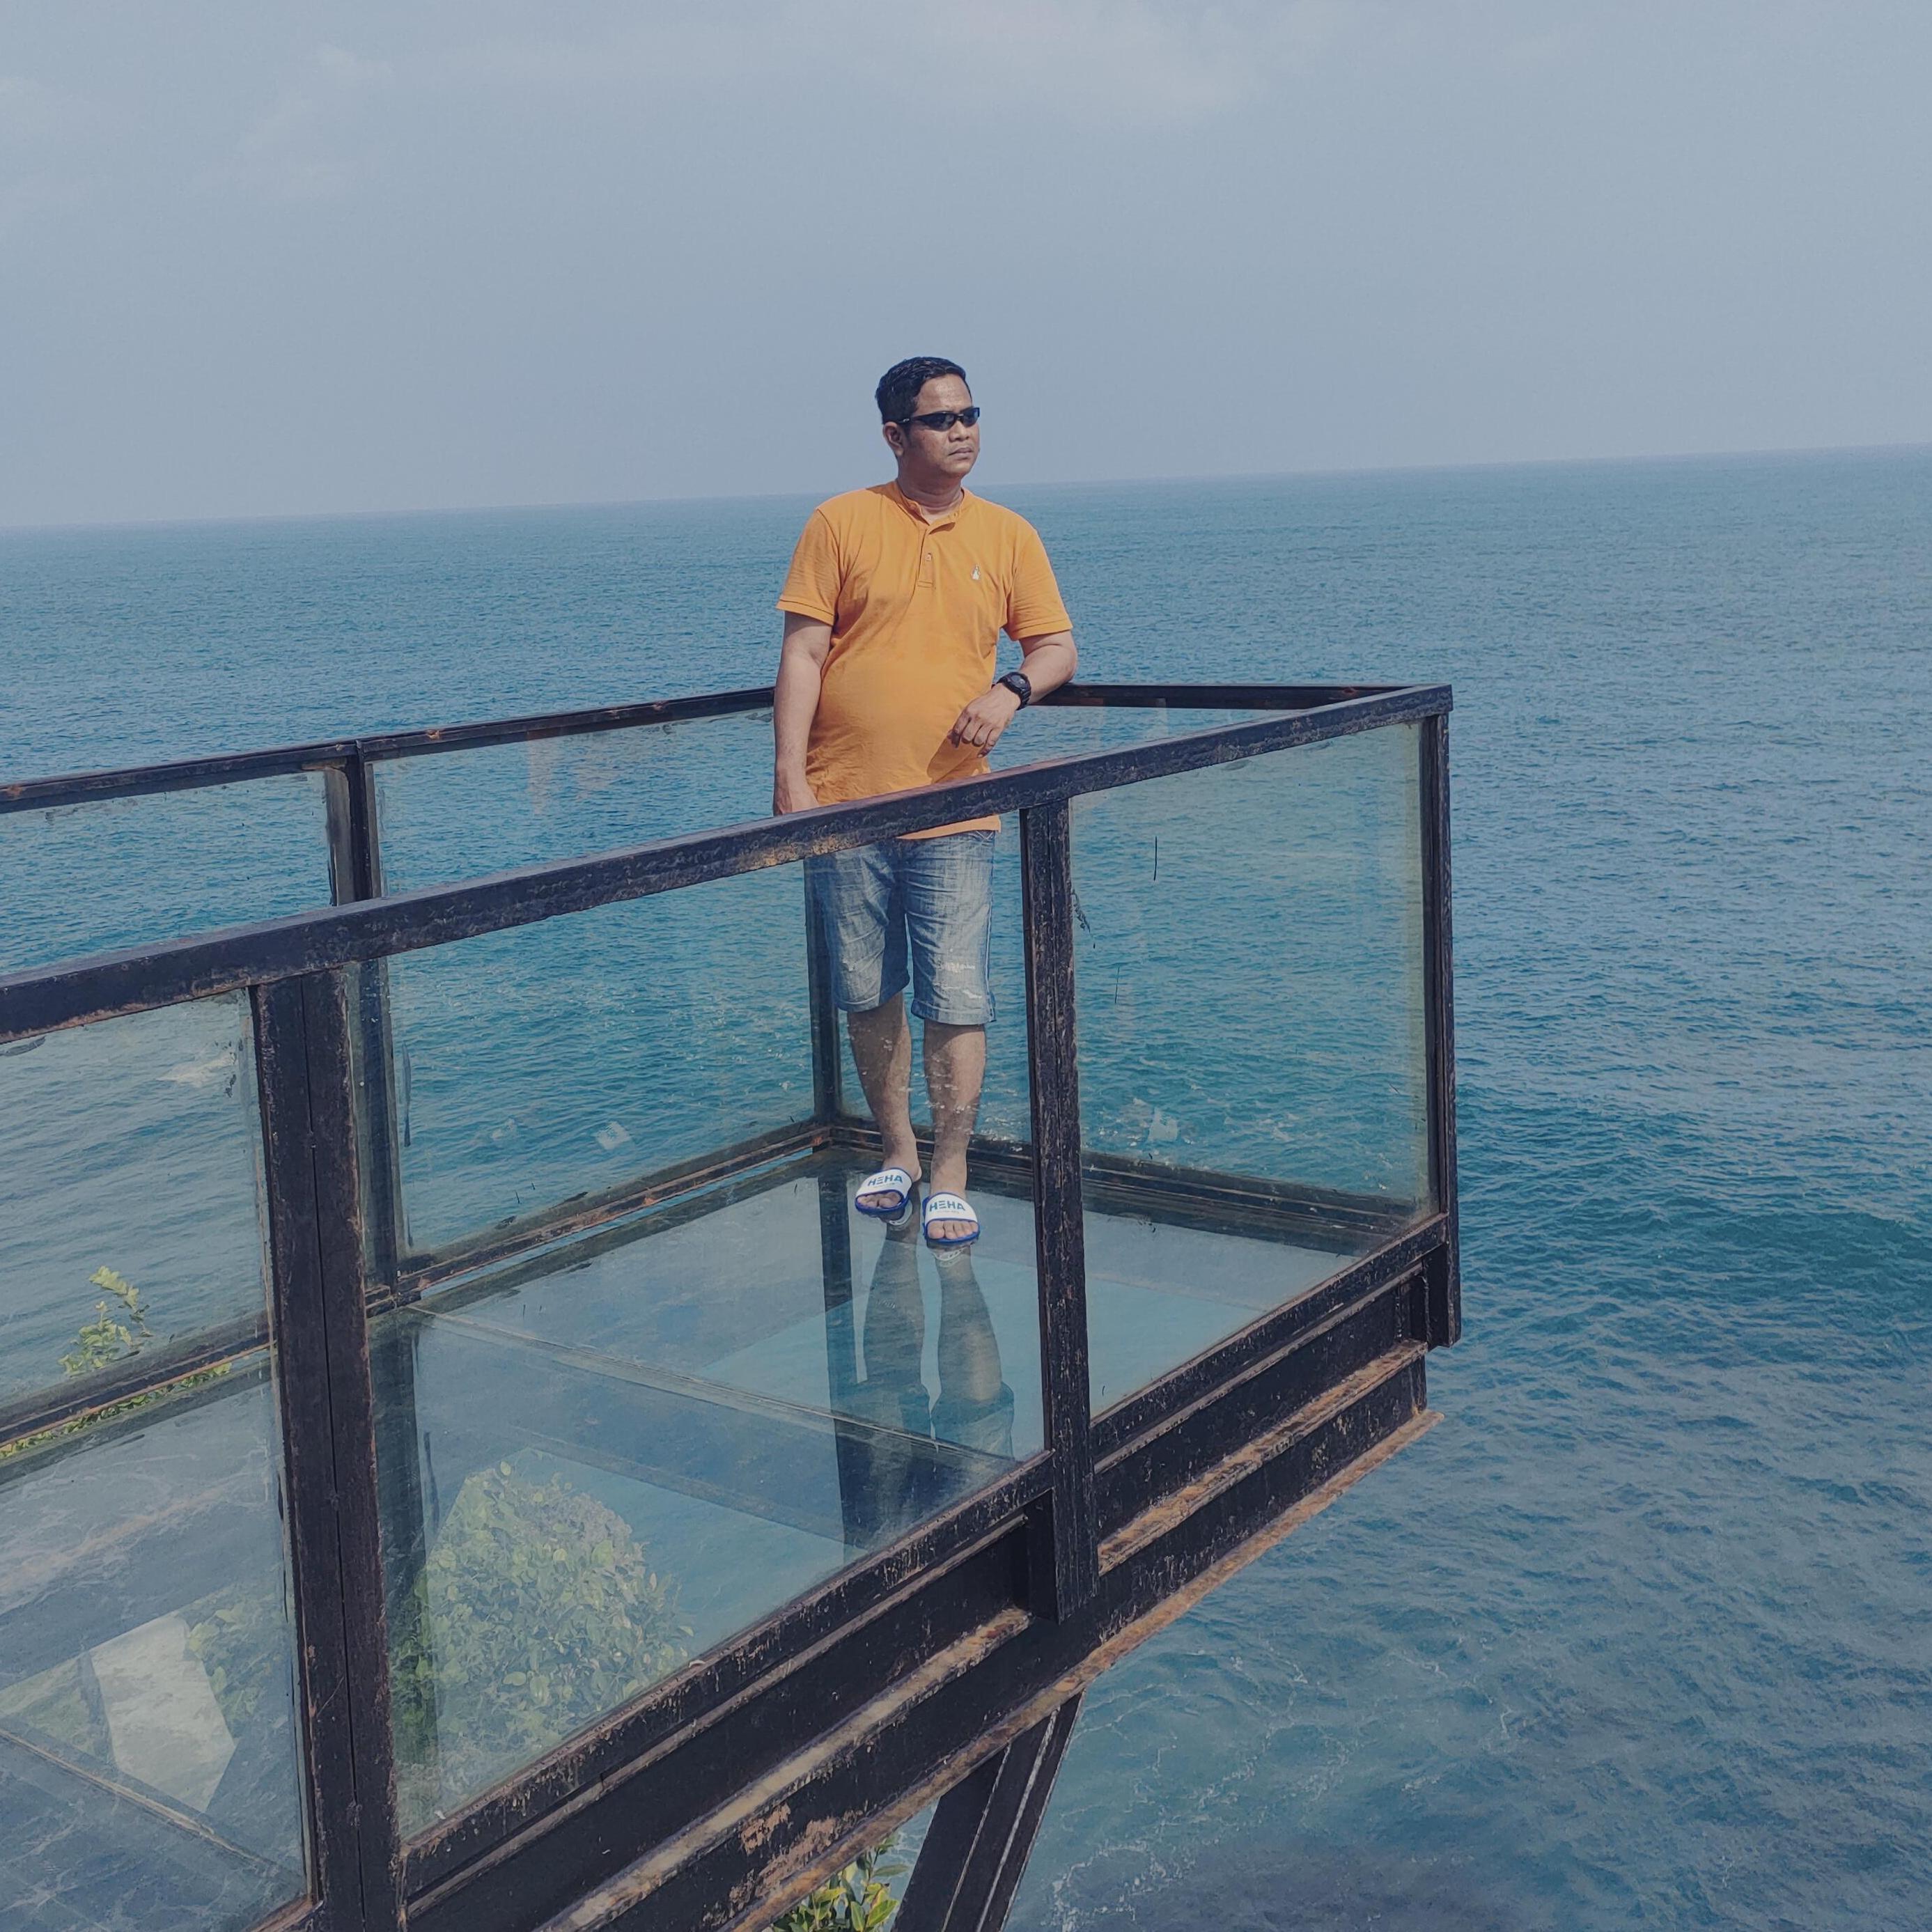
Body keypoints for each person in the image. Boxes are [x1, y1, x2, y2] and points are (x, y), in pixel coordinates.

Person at [773, 356, 1078, 1247]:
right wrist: (790, 777)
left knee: (955, 993)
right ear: (894, 434)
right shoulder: (840, 522)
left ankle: (950, 1170)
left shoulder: (1008, 534)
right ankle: (897, 1153)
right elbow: (802, 652)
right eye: (941, 419)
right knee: (867, 989)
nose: (962, 431)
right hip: (844, 802)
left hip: (954, 802)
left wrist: (1010, 691)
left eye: (970, 414)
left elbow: (1057, 647)